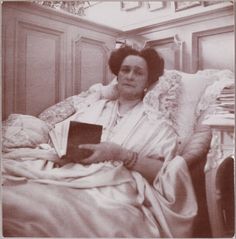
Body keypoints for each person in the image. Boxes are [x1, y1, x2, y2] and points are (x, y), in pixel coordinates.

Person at [2, 45, 197, 238]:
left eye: (138, 73)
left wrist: (121, 154)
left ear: (148, 81)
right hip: (68, 172)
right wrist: (62, 151)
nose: (129, 76)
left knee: (53, 211)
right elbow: (59, 139)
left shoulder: (157, 124)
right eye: (125, 70)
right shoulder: (93, 108)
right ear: (117, 75)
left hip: (115, 187)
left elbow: (165, 173)